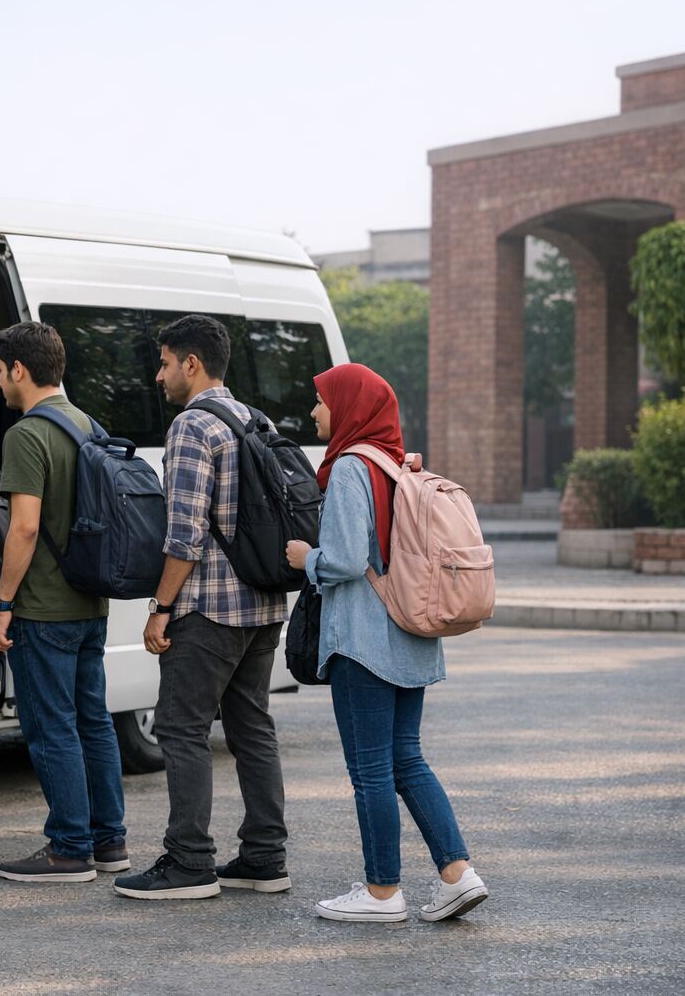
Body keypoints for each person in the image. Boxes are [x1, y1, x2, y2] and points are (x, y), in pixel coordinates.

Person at [285, 363, 488, 923]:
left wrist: (308, 560)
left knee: (371, 769)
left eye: (322, 401)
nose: (315, 412)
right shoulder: (397, 464)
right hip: (412, 633)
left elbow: (348, 560)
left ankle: (381, 893)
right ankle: (457, 873)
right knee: (406, 760)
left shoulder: (352, 466)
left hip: (365, 641)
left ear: (350, 407)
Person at [116, 313, 289, 901]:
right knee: (252, 729)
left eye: (164, 363)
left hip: (210, 606)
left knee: (180, 728)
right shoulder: (254, 418)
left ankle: (189, 862)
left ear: (191, 363)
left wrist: (159, 607)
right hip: (263, 603)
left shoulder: (192, 426)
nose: (159, 376)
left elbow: (184, 533)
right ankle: (266, 856)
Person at [0, 322, 129, 883]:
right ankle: (108, 839)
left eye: (0, 371)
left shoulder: (27, 434)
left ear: (19, 369)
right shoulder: (89, 424)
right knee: (94, 722)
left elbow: (23, 529)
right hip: (91, 601)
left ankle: (68, 848)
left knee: (52, 727)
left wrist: (2, 602)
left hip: (43, 608)